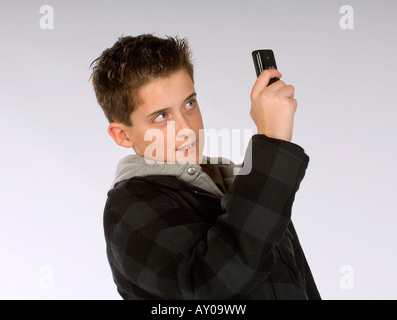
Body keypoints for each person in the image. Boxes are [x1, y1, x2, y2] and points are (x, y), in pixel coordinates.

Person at [90, 34, 321, 300]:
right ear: (123, 135)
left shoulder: (242, 186)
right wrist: (271, 143)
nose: (187, 129)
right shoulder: (129, 207)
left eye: (189, 104)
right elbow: (212, 286)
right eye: (162, 116)